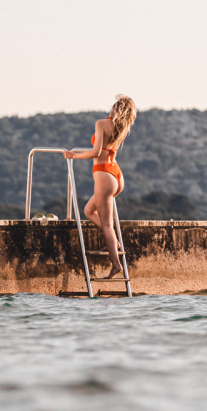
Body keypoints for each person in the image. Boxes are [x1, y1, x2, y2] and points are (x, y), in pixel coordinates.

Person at [64, 95, 137, 278]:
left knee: (106, 224)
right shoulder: (122, 127)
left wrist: (73, 156)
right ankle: (115, 244)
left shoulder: (101, 124)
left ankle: (116, 264)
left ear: (115, 108)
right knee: (89, 211)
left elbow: (96, 152)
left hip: (104, 175)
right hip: (116, 175)